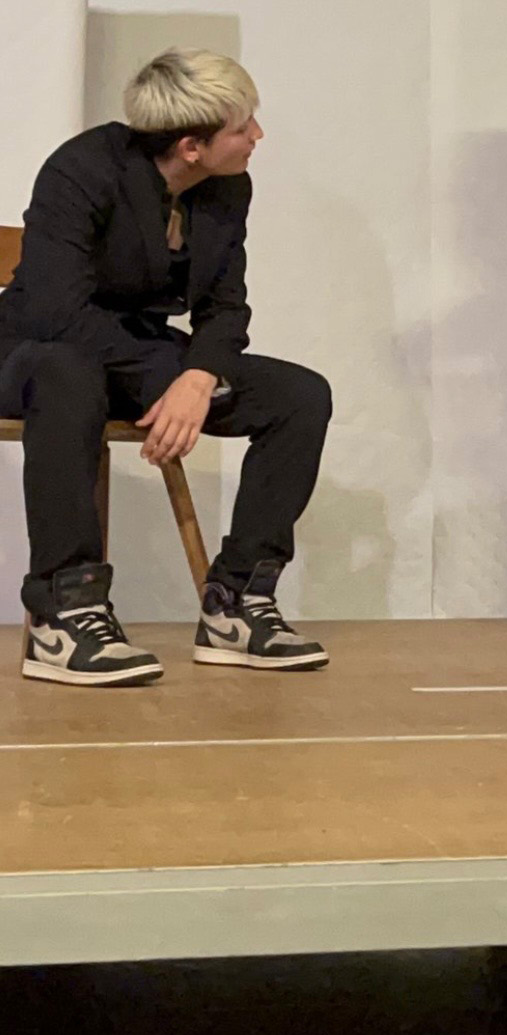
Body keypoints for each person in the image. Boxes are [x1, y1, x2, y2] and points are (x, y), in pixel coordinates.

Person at [0, 49, 332, 686]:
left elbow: (225, 306)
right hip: (30, 354)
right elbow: (53, 311)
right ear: (191, 146)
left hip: (140, 355)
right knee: (68, 371)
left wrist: (197, 378)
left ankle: (237, 603)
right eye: (243, 126)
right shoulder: (82, 169)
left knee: (297, 394)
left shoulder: (226, 187)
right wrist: (167, 376)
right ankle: (64, 613)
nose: (258, 135)